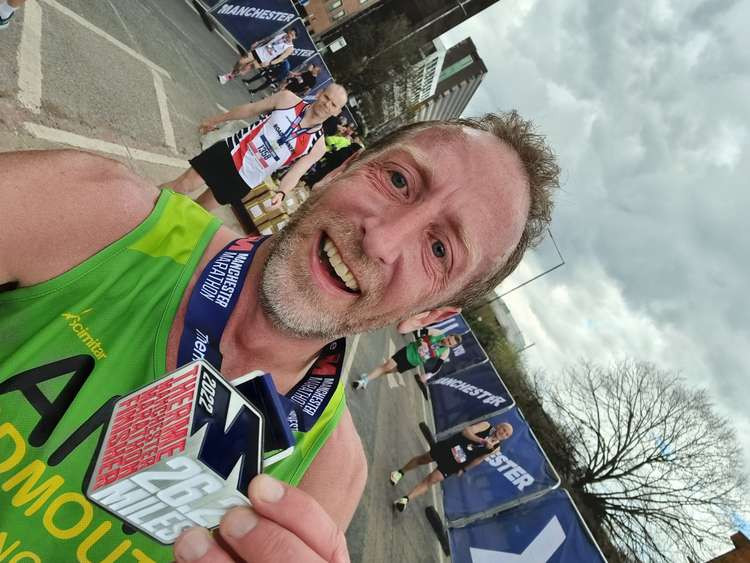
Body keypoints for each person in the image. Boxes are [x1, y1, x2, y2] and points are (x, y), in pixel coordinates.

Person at [0, 110, 559, 561]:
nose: (381, 239)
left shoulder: (329, 479)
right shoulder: (92, 210)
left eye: (439, 250)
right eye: (397, 180)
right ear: (343, 168)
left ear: (432, 314)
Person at [164, 83, 348, 211]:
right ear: (319, 93)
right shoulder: (288, 100)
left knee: (196, 210)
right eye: (327, 97)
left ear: (337, 112)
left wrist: (282, 192)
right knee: (181, 186)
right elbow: (250, 109)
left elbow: (296, 172)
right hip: (230, 153)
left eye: (334, 104)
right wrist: (215, 119)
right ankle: (138, 205)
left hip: (246, 179)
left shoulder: (318, 146)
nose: (327, 104)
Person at [391, 421, 514, 512]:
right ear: (498, 426)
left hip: (457, 462)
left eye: (506, 434)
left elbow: (479, 460)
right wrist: (481, 441)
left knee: (432, 480)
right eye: (503, 429)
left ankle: (405, 499)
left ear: (506, 438)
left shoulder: (496, 449)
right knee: (423, 459)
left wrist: (464, 469)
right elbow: (466, 431)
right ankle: (400, 472)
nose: (503, 433)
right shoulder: (486, 426)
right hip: (449, 447)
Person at [351, 333, 462, 390]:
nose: (447, 341)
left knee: (388, 371)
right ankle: (364, 380)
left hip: (413, 362)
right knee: (387, 366)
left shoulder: (445, 351)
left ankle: (368, 378)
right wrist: (422, 342)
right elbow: (421, 334)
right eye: (448, 339)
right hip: (408, 351)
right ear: (448, 335)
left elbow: (437, 366)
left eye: (450, 343)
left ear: (452, 346)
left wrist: (427, 376)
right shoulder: (438, 334)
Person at [217, 29, 297, 85]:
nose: (289, 35)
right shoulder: (282, 34)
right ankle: (232, 73)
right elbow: (269, 38)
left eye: (292, 35)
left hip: (264, 59)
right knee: (240, 62)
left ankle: (227, 77)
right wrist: (257, 42)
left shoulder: (290, 48)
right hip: (258, 51)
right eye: (290, 33)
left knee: (245, 69)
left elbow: (281, 58)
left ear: (294, 38)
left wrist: (270, 63)